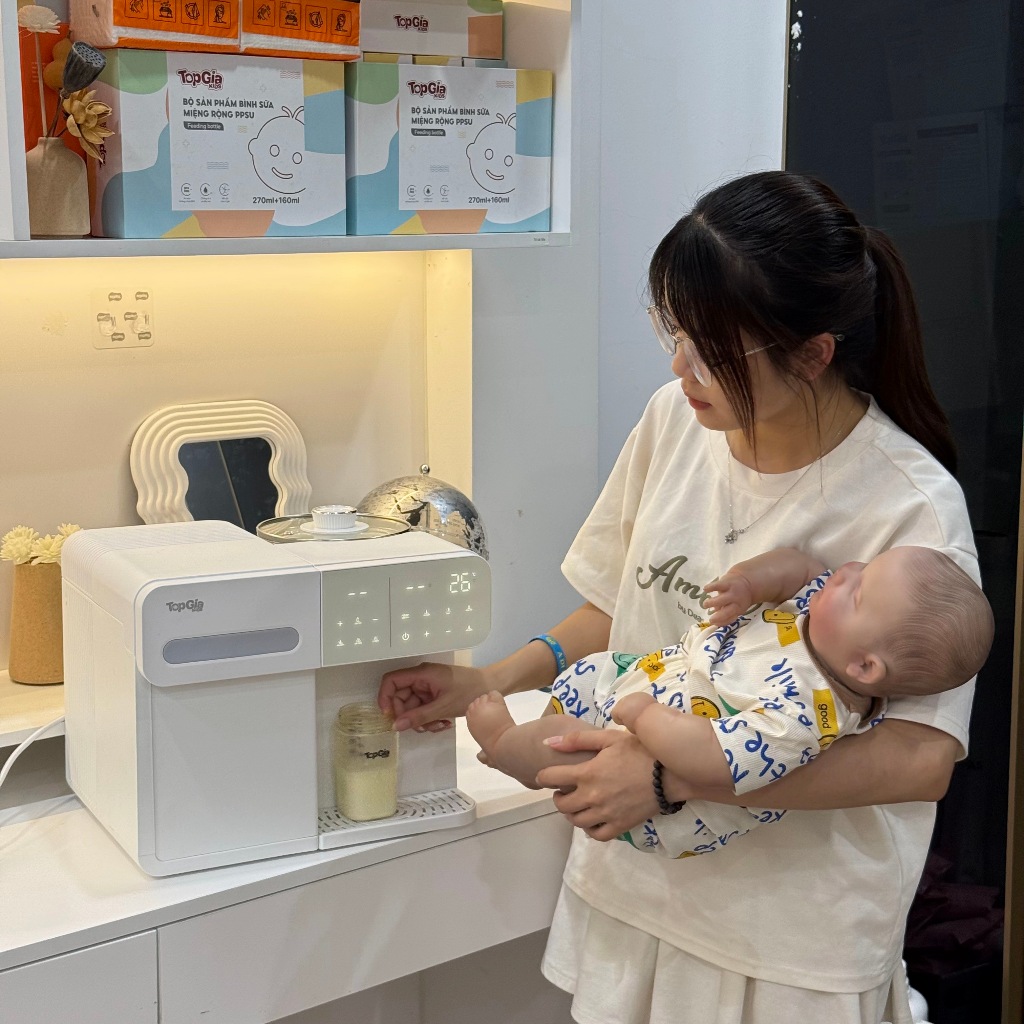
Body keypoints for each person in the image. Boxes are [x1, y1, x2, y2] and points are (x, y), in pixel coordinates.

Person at [378, 170, 979, 1024]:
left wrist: (673, 779)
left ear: (813, 354)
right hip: (639, 887)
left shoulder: (909, 505)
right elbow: (618, 607)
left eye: (713, 351)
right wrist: (492, 681)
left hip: (789, 934)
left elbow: (920, 759)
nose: (680, 366)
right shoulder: (675, 419)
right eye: (676, 332)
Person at [465, 545, 993, 857]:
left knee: (562, 749)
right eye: (862, 566)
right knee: (590, 684)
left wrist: (645, 716)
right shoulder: (820, 617)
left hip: (657, 786)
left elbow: (713, 759)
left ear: (865, 669)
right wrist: (748, 582)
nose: (847, 569)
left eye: (856, 590)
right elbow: (798, 567)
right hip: (643, 685)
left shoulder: (805, 717)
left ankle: (504, 745)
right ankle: (532, 733)